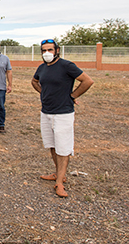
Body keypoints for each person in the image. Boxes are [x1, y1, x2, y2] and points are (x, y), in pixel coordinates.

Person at [31, 39, 94, 198]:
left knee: (63, 148)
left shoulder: (67, 66)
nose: (47, 53)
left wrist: (72, 96)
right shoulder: (42, 68)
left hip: (63, 113)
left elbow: (87, 81)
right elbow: (34, 81)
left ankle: (59, 183)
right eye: (44, 50)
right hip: (46, 112)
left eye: (50, 50)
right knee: (52, 145)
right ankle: (59, 174)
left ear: (57, 50)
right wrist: (43, 93)